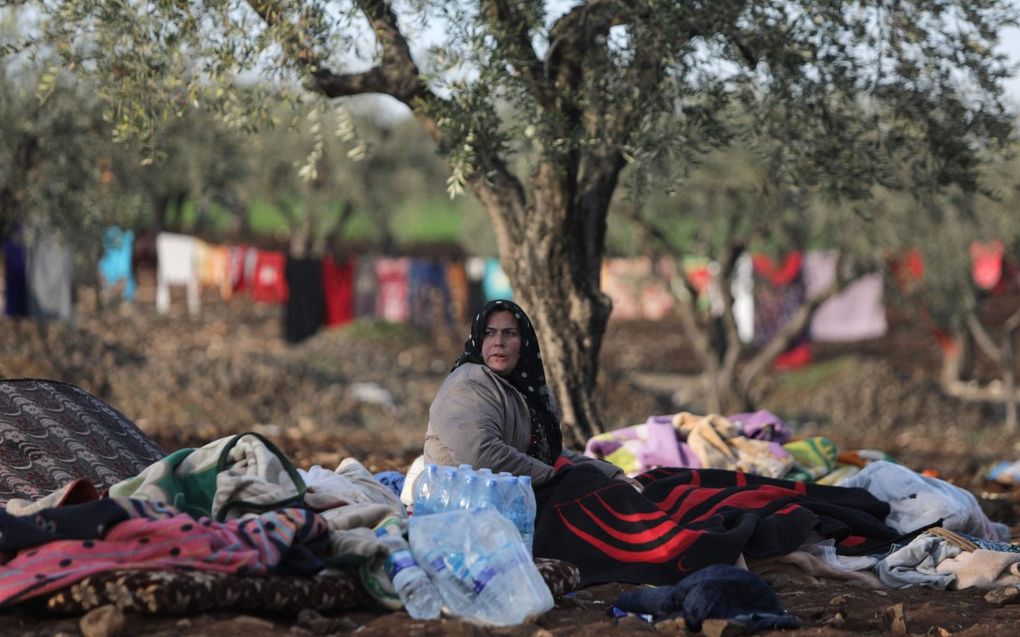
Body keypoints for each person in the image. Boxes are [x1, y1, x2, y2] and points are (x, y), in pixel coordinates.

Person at [402, 299, 624, 502]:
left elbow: (548, 454)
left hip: (514, 500)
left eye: (509, 334)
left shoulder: (532, 394)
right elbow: (481, 456)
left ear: (524, 342)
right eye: (489, 333)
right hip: (462, 507)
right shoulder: (467, 385)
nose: (499, 342)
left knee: (630, 491)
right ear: (479, 339)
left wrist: (609, 474)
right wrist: (559, 477)